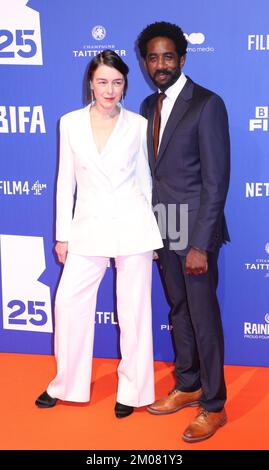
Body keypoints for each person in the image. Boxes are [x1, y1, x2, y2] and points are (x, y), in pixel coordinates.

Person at [35, 50, 163, 418]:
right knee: (69, 303)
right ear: (90, 82)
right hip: (87, 226)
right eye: (103, 81)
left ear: (125, 84)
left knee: (134, 310)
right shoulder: (70, 123)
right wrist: (63, 235)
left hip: (133, 225)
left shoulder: (138, 124)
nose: (110, 90)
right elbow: (65, 182)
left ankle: (134, 390)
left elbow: (147, 181)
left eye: (118, 82)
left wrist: (155, 235)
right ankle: (66, 383)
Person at [137, 22, 230, 442]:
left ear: (182, 59)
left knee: (203, 316)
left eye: (168, 56)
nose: (160, 64)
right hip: (163, 227)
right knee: (178, 311)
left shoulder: (207, 104)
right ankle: (188, 382)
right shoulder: (145, 106)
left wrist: (201, 244)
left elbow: (216, 181)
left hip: (194, 232)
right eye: (153, 58)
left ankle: (214, 405)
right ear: (145, 62)